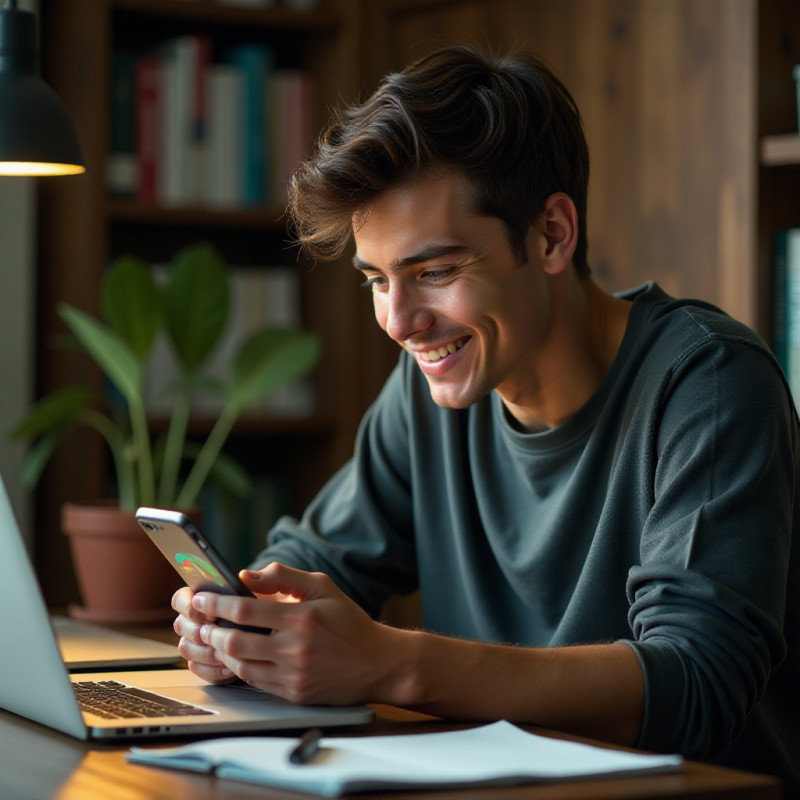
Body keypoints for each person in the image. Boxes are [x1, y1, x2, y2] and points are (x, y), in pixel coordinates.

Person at [173, 45, 800, 790]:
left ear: (553, 235)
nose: (401, 321)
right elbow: (316, 564)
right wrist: (247, 631)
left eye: (435, 272)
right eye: (378, 279)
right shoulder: (430, 389)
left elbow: (696, 683)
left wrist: (392, 663)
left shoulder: (709, 381)